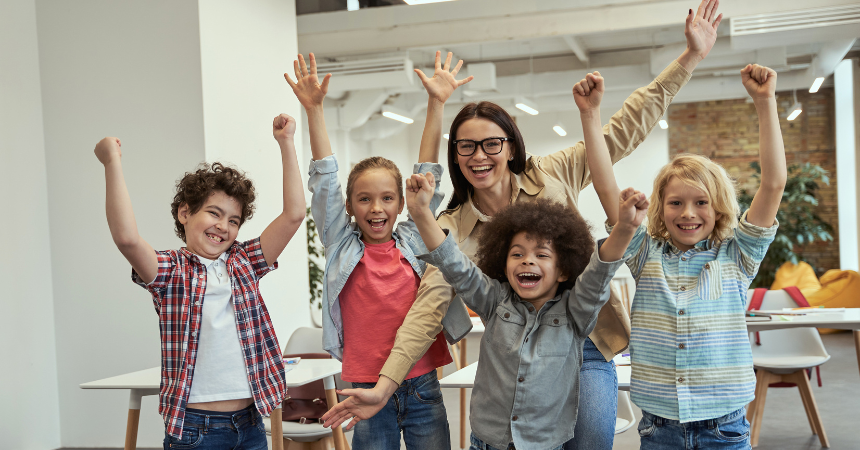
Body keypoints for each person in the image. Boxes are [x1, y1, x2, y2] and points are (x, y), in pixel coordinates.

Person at [324, 2, 725, 448]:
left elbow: (621, 130)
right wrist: (385, 384)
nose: (479, 156)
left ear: (511, 146)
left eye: (491, 143)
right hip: (519, 349)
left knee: (590, 436)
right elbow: (427, 308)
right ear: (456, 156)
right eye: (466, 147)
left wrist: (690, 58)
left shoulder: (552, 173)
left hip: (587, 337)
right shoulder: (454, 225)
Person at [580, 62, 786, 449]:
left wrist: (765, 101)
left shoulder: (737, 256)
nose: (688, 213)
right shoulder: (646, 255)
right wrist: (590, 116)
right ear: (661, 207)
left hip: (724, 428)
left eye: (700, 202)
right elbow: (605, 188)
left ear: (719, 206)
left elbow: (773, 184)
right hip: (660, 429)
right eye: (676, 202)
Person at [287, 51, 472, 449]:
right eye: (364, 199)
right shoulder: (341, 243)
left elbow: (429, 174)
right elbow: (324, 184)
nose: (376, 208)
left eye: (387, 198)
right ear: (350, 206)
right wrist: (315, 110)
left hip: (422, 385)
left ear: (401, 204)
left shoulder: (416, 238)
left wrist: (436, 102)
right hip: (365, 389)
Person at [94, 113, 306, 449]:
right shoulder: (171, 271)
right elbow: (127, 239)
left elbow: (294, 215)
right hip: (196, 429)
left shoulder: (244, 261)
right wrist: (111, 162)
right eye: (214, 213)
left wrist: (286, 142)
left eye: (234, 220)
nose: (224, 226)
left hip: (250, 423)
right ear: (185, 213)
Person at [404, 171, 647, 450]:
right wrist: (422, 212)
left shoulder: (575, 314)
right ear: (502, 262)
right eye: (517, 254)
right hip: (487, 441)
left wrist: (625, 229)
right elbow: (454, 265)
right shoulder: (494, 300)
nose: (527, 261)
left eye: (542, 255)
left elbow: (598, 276)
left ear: (564, 269)